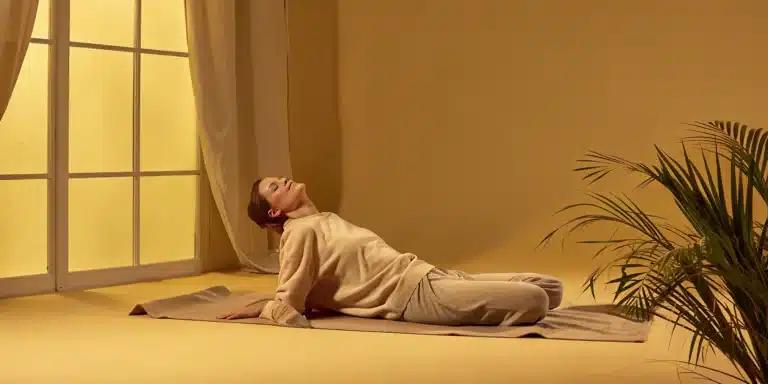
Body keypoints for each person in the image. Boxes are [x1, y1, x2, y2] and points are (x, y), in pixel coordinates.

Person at [218, 177, 564, 328]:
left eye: (281, 178)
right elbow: (289, 305)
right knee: (534, 300)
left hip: (427, 275)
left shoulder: (325, 220)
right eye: (275, 187)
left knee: (551, 287)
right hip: (411, 297)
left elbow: (323, 283)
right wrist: (266, 308)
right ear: (274, 213)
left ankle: (483, 293)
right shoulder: (298, 234)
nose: (285, 181)